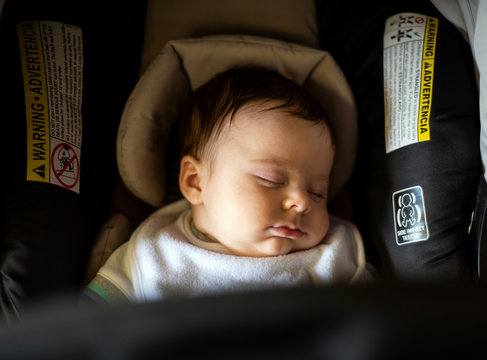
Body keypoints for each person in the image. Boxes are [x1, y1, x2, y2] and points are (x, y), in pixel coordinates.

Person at [85, 67, 368, 304]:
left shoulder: (333, 255)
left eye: (317, 192)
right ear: (195, 182)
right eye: (271, 180)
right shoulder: (158, 251)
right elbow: (86, 329)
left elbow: (387, 321)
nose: (302, 201)